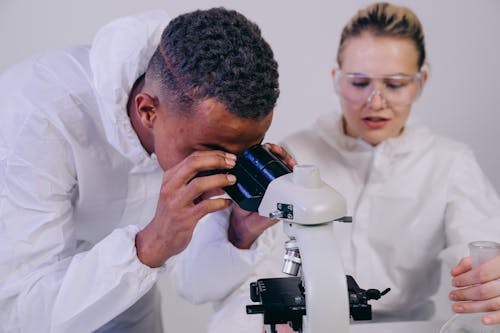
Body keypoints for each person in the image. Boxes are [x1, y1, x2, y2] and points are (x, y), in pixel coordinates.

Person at [171, 2, 500, 332]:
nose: (376, 101)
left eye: (395, 84)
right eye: (359, 83)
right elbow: (195, 285)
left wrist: (489, 280)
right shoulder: (289, 157)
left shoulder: (450, 163)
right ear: (336, 79)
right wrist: (241, 235)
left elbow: (486, 251)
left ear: (420, 81)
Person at [0, 7, 281, 333]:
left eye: (246, 151)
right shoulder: (38, 118)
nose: (225, 176)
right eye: (214, 153)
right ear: (148, 111)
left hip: (130, 288)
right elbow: (18, 312)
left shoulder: (207, 122)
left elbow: (192, 285)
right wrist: (150, 245)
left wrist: (238, 235)